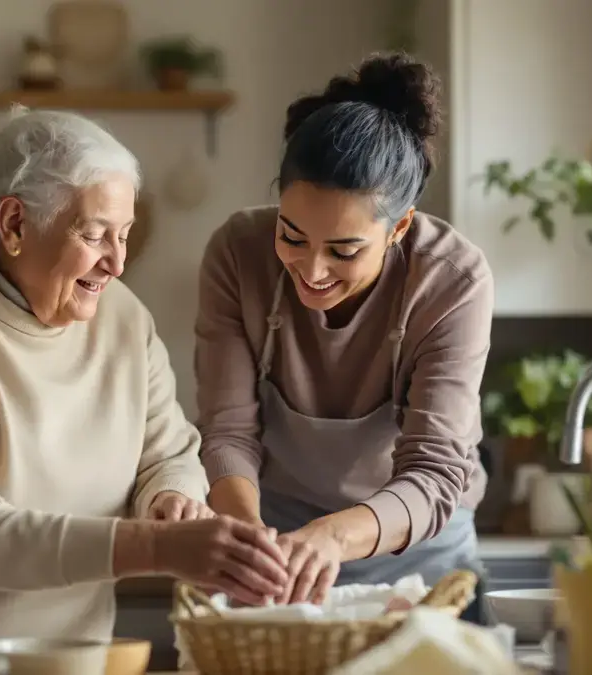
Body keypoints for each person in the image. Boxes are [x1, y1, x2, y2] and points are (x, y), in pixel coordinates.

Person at [0, 107, 288, 669]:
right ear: (15, 225)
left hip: (73, 661)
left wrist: (170, 498)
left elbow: (167, 452)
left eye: (124, 235)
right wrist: (156, 547)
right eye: (95, 234)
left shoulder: (124, 319)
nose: (117, 262)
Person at [195, 52, 493, 615]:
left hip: (420, 553)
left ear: (399, 226)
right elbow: (228, 432)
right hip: (280, 539)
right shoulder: (237, 253)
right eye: (292, 235)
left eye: (344, 250)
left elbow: (433, 470)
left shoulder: (452, 279)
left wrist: (332, 538)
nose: (311, 270)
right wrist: (251, 544)